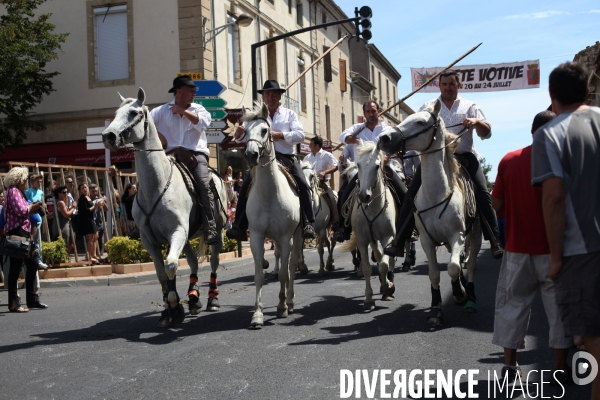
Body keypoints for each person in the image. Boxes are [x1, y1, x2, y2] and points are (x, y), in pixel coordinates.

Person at [532, 62, 600, 400]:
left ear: (551, 95)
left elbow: (554, 197)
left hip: (583, 251)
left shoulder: (550, 133)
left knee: (595, 342)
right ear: (588, 90)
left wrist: (555, 258)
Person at [491, 110, 574, 384]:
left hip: (517, 249)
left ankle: (511, 365)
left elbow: (497, 205)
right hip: (554, 250)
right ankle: (560, 368)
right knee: (559, 311)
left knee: (512, 306)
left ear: (531, 131)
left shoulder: (509, 160)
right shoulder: (564, 163)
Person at [384, 70, 503, 258]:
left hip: (464, 156)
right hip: (434, 159)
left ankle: (495, 240)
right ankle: (399, 241)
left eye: (452, 84)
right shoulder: (428, 107)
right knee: (409, 195)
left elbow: (486, 133)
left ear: (459, 85)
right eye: (445, 84)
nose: (448, 88)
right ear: (439, 86)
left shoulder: (469, 106)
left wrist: (476, 121)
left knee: (482, 192)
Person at [226, 80, 317, 240]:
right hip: (262, 161)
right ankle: (239, 226)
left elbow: (300, 135)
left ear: (280, 96)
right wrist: (239, 133)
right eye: (268, 94)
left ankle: (308, 222)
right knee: (246, 184)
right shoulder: (255, 116)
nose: (271, 97)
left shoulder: (290, 114)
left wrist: (280, 135)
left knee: (302, 184)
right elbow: (242, 137)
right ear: (263, 97)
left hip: (286, 158)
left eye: (274, 94)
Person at [150, 75, 219, 245]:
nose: (194, 93)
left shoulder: (199, 109)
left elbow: (203, 124)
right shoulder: (160, 111)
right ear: (179, 92)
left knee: (203, 183)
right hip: (169, 154)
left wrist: (183, 112)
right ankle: (142, 223)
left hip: (195, 155)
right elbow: (147, 126)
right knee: (149, 180)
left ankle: (210, 226)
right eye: (191, 90)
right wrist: (160, 138)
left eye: (194, 90)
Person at [332, 101, 408, 243]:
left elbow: (398, 146)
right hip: (362, 172)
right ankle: (343, 229)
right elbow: (343, 136)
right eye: (368, 112)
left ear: (378, 111)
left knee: (404, 194)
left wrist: (388, 156)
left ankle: (408, 229)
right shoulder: (358, 128)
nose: (371, 114)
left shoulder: (387, 129)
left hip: (384, 169)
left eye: (373, 111)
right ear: (364, 113)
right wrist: (355, 140)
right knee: (343, 195)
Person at [3, 166, 48, 312]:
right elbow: (21, 211)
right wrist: (33, 207)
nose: (26, 181)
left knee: (33, 263)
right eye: (24, 178)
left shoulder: (19, 192)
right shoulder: (13, 191)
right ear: (19, 179)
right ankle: (13, 303)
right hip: (18, 232)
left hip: (25, 233)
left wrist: (33, 206)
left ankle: (32, 300)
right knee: (15, 268)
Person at [304, 136, 340, 230]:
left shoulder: (326, 155)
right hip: (309, 184)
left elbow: (336, 166)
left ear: (317, 145)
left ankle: (336, 221)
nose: (309, 146)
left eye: (311, 144)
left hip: (322, 183)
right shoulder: (307, 157)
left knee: (332, 197)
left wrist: (325, 172)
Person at [25, 174, 48, 269]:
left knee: (37, 240)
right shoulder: (28, 192)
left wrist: (43, 206)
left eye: (40, 181)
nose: (39, 183)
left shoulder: (41, 192)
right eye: (37, 181)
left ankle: (38, 259)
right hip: (31, 218)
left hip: (38, 217)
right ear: (32, 182)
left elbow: (41, 202)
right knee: (33, 240)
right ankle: (33, 259)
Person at [77, 183, 101, 263]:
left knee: (96, 236)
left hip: (91, 219)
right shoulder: (82, 199)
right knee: (90, 238)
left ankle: (94, 254)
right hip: (87, 220)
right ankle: (89, 256)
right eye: (82, 188)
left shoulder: (88, 197)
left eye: (86, 187)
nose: (85, 189)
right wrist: (95, 206)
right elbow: (86, 211)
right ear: (80, 190)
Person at [53, 185, 75, 254]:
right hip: (62, 225)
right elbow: (66, 215)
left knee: (70, 242)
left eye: (67, 192)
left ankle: (65, 257)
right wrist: (73, 207)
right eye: (64, 192)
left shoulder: (63, 201)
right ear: (59, 194)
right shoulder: (60, 202)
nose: (66, 194)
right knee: (64, 242)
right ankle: (63, 258)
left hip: (65, 224)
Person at [90, 184, 108, 254]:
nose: (95, 193)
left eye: (96, 191)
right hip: (91, 222)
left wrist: (103, 202)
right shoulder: (88, 199)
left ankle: (100, 254)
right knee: (92, 240)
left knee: (100, 240)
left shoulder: (99, 199)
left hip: (100, 222)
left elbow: (106, 209)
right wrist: (95, 205)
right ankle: (92, 254)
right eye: (93, 191)